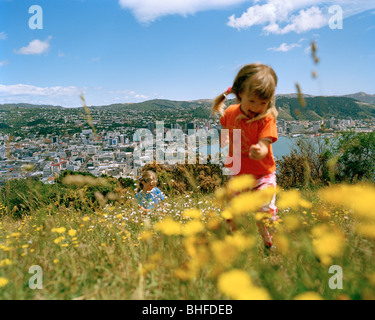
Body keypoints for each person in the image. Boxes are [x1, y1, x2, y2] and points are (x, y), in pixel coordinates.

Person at [212, 63, 278, 249]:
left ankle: (271, 245)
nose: (257, 107)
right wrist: (224, 137)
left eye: (263, 103)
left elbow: (266, 142)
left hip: (262, 175)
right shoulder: (232, 111)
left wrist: (260, 149)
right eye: (252, 101)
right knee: (230, 212)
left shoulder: (266, 118)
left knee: (263, 213)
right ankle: (234, 245)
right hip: (239, 173)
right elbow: (225, 124)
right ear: (240, 94)